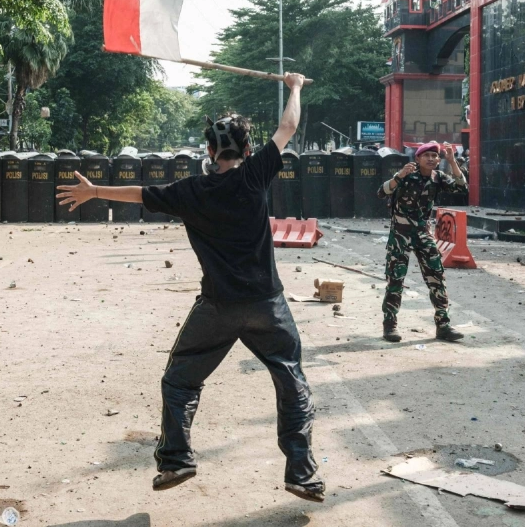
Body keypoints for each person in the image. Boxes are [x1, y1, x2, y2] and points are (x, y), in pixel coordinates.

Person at [56, 73, 324, 503]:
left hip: (217, 306)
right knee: (291, 380)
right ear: (248, 150)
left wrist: (95, 191)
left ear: (210, 151)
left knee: (180, 381)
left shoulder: (191, 191)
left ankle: (177, 460)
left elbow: (140, 193)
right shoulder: (255, 175)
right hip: (266, 304)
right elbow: (288, 127)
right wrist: (294, 87)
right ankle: (303, 474)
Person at [377, 141, 468, 343]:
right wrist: (399, 176)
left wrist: (452, 162)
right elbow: (382, 192)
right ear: (417, 158)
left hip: (423, 232)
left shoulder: (438, 178)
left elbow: (462, 189)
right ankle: (390, 325)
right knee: (396, 279)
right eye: (426, 155)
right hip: (401, 233)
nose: (431, 159)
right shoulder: (407, 174)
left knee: (437, 277)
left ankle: (443, 326)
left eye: (435, 156)